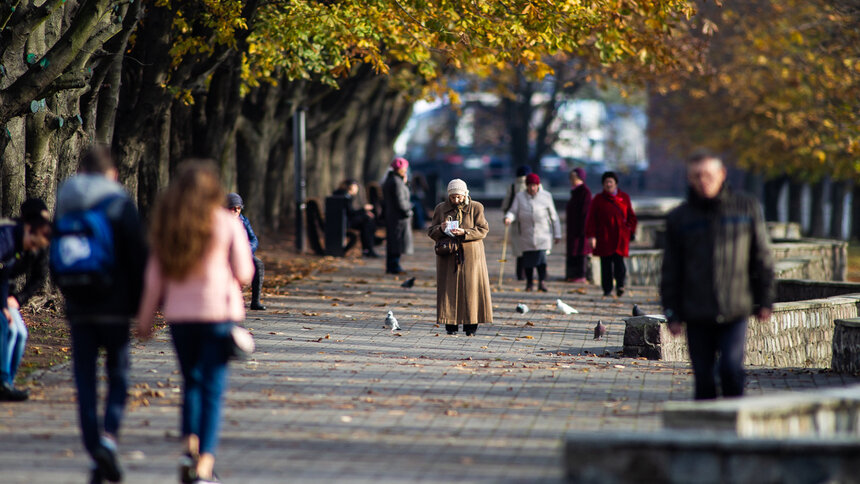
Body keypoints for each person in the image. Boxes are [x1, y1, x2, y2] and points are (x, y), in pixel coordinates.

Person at [137, 160, 254, 484]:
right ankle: (204, 465)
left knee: (191, 381)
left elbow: (154, 276)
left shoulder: (169, 223)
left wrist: (145, 318)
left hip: (180, 316)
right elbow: (245, 273)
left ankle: (189, 446)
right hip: (218, 316)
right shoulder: (226, 222)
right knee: (212, 389)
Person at [54, 146, 148, 483]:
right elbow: (137, 256)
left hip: (79, 305)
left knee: (84, 379)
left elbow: (58, 248)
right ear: (112, 173)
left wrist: (66, 290)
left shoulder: (66, 198)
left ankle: (95, 448)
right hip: (115, 306)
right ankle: (108, 439)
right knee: (118, 375)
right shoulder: (120, 201)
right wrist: (140, 307)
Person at [661, 152, 774, 400]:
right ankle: (706, 433)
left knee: (731, 369)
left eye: (709, 175)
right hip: (696, 311)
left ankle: (735, 423)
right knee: (703, 378)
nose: (704, 181)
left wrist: (765, 299)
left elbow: (761, 256)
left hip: (735, 309)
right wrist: (672, 312)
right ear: (689, 178)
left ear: (722, 175)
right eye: (697, 176)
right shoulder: (680, 218)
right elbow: (671, 269)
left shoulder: (746, 208)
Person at [0, 199, 52, 402]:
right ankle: (3, 381)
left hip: (7, 294)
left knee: (20, 333)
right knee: (7, 328)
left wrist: (17, 300)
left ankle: (8, 382)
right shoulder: (8, 236)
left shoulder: (39, 242)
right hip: (3, 295)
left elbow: (38, 277)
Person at [428, 179, 493, 336]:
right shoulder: (441, 208)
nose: (456, 200)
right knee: (449, 290)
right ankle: (451, 325)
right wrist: (441, 229)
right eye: (452, 197)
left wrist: (465, 232)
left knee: (472, 290)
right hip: (448, 255)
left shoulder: (476, 207)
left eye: (459, 197)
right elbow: (431, 231)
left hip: (471, 255)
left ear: (465, 194)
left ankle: (471, 326)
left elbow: (483, 229)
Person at [504, 173, 561, 292]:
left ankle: (542, 282)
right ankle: (529, 283)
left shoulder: (546, 196)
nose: (532, 188)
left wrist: (557, 234)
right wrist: (508, 217)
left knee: (541, 260)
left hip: (543, 234)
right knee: (528, 260)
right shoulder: (520, 196)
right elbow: (513, 211)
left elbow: (554, 216)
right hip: (526, 233)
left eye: (534, 185)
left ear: (538, 185)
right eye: (529, 185)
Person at [585, 171, 637, 297]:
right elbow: (591, 219)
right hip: (604, 237)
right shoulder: (598, 199)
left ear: (616, 184)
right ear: (603, 184)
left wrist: (630, 230)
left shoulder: (624, 197)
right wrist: (591, 236)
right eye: (606, 182)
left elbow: (632, 217)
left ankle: (620, 285)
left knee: (619, 263)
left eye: (611, 182)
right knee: (606, 264)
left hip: (620, 237)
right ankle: (607, 289)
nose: (608, 185)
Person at [226, 193, 267, 309]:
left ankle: (256, 301)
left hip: (244, 254)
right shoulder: (220, 222)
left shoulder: (244, 220)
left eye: (238, 208)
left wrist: (247, 250)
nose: (236, 211)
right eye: (233, 208)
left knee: (258, 264)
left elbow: (253, 239)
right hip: (226, 255)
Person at [332, 180, 380, 258]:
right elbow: (350, 212)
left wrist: (364, 212)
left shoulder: (343, 195)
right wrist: (364, 209)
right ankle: (369, 247)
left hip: (343, 221)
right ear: (350, 187)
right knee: (367, 222)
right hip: (344, 223)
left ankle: (369, 247)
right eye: (356, 187)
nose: (357, 189)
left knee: (367, 222)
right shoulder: (345, 196)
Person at [382, 157, 413, 274]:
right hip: (399, 217)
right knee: (397, 242)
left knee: (394, 241)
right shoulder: (396, 182)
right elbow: (400, 200)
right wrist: (408, 211)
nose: (405, 170)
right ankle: (394, 266)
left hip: (393, 215)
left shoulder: (392, 180)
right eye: (404, 168)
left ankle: (393, 265)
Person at [501, 165, 532, 280]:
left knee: (519, 249)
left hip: (515, 220)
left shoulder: (513, 186)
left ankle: (520, 274)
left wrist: (506, 215)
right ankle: (533, 273)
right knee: (531, 247)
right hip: (530, 221)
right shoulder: (534, 185)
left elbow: (506, 202)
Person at [565, 167, 592, 283]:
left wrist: (584, 229)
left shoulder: (585, 192)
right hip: (573, 228)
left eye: (573, 177)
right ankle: (571, 275)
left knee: (580, 252)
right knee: (572, 251)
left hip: (580, 229)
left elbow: (586, 212)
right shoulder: (575, 191)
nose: (571, 180)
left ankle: (580, 275)